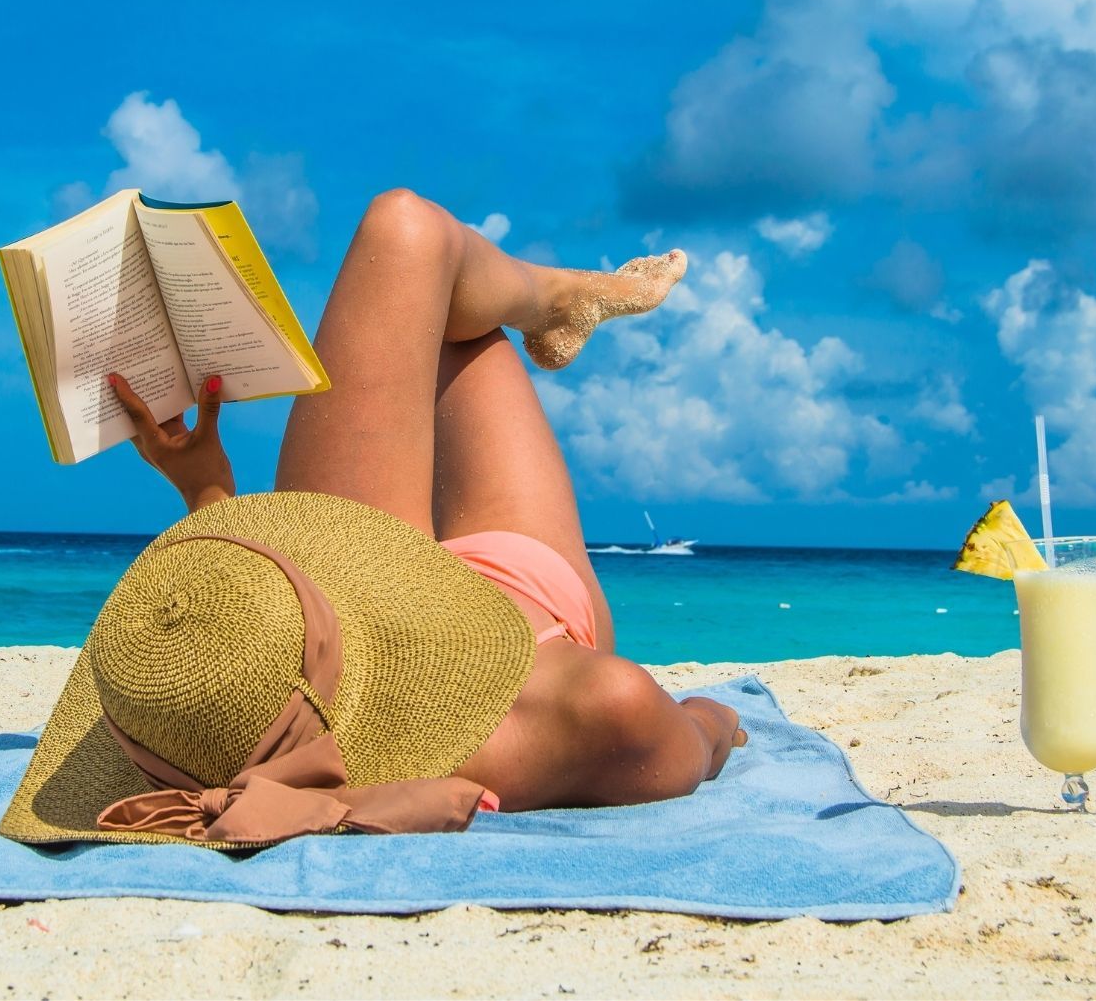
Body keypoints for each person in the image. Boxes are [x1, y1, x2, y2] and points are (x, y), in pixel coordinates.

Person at [105, 188, 745, 813]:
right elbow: (702, 734)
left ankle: (557, 300)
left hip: (327, 595)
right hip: (473, 598)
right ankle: (558, 299)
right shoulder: (586, 713)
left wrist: (205, 490)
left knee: (413, 249)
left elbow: (239, 626)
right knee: (421, 258)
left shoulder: (219, 682)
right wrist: (716, 719)